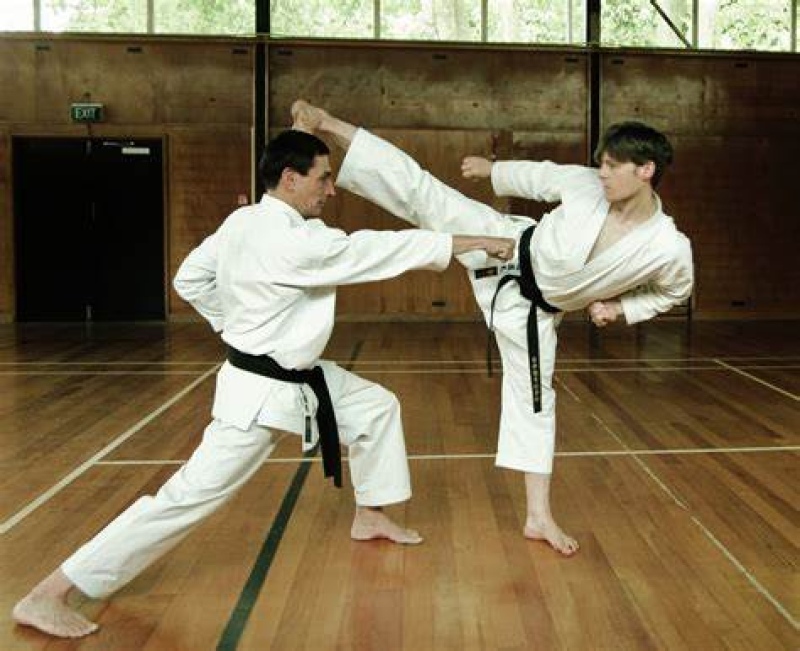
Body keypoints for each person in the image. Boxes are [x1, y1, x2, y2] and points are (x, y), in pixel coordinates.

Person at [11, 129, 516, 639]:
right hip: (259, 398)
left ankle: (371, 513)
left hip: (295, 376)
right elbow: (377, 250)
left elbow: (189, 278)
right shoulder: (298, 240)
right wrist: (472, 240)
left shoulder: (243, 220)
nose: (331, 189)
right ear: (292, 179)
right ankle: (50, 592)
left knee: (375, 407)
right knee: (185, 498)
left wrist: (238, 327)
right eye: (324, 178)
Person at [291, 100, 694, 557]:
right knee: (421, 191)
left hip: (531, 313)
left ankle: (538, 517)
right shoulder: (586, 186)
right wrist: (493, 170)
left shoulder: (668, 247)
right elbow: (539, 176)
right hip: (501, 242)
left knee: (536, 404)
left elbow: (673, 293)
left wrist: (621, 309)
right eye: (600, 163)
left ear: (646, 170)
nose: (600, 173)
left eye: (611, 166)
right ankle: (326, 121)